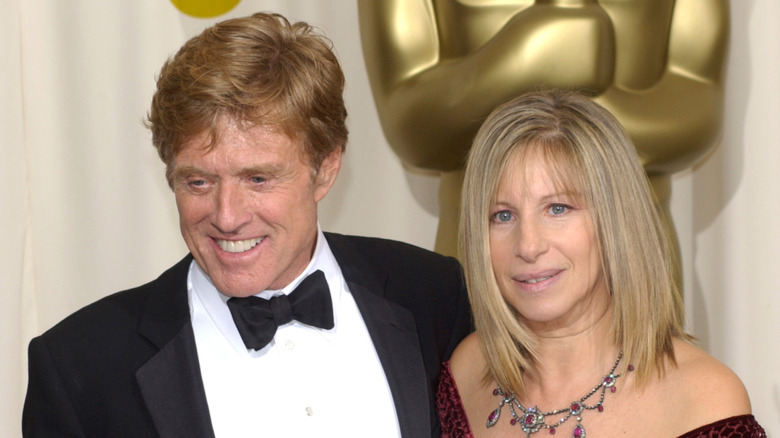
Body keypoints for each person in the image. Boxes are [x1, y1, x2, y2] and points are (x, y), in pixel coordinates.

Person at [22, 12, 471, 438]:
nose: (227, 216)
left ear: (326, 169)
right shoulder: (80, 368)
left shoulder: (435, 297)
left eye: (257, 179)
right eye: (198, 182)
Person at [436, 90, 766, 437]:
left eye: (558, 209)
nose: (528, 245)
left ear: (615, 221)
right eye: (502, 215)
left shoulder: (703, 400)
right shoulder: (465, 373)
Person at [358, 0, 728, 260]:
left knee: (645, 369)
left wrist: (572, 112)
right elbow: (411, 126)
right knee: (482, 366)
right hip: (483, 244)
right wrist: (525, 55)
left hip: (635, 240)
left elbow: (698, 104)